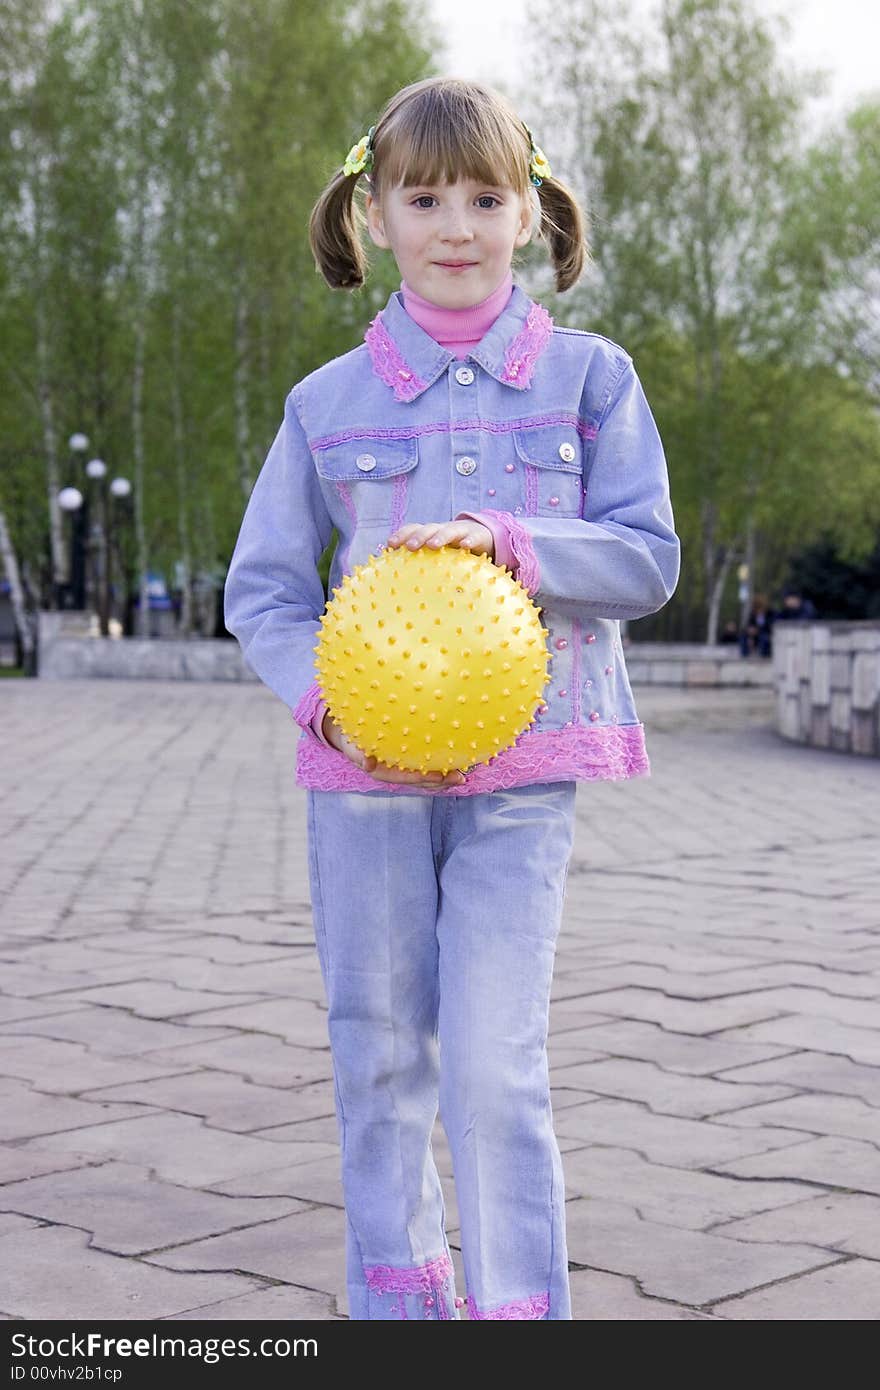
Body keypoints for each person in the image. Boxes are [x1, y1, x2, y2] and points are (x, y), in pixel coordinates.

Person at [223, 77, 680, 1321]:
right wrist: (323, 696)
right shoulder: (325, 405)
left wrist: (517, 541)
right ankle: (402, 1312)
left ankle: (521, 1316)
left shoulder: (591, 380)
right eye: (423, 198)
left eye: (486, 196)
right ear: (372, 216)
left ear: (529, 211)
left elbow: (648, 559)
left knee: (493, 1064)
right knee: (376, 1052)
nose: (456, 224)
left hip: (524, 775)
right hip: (361, 785)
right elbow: (261, 591)